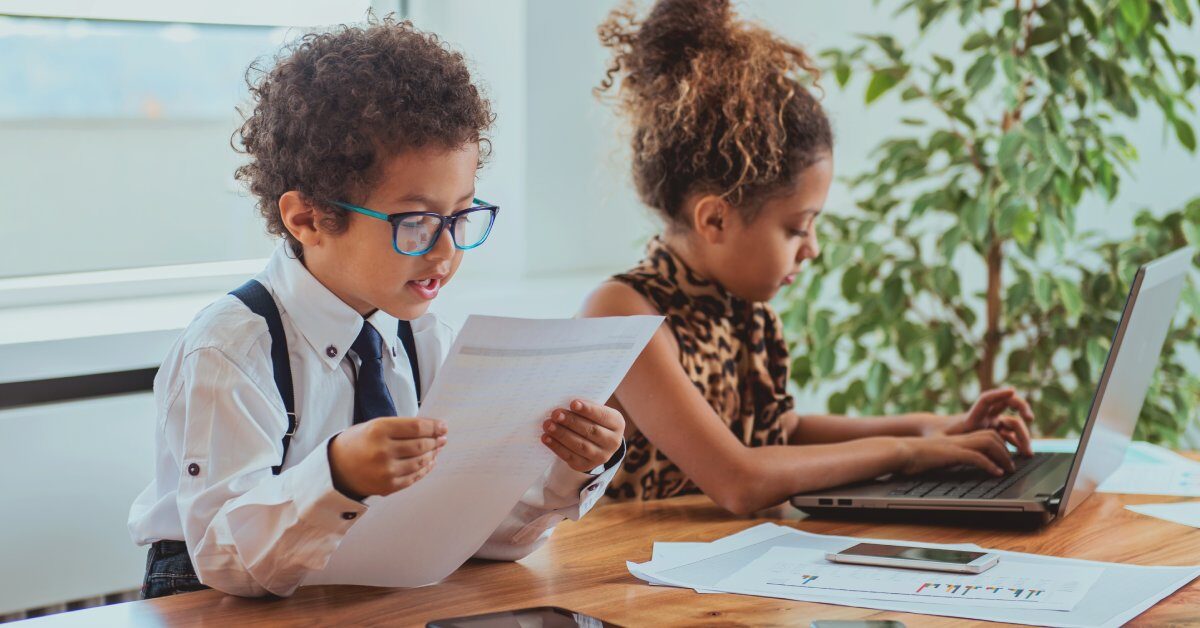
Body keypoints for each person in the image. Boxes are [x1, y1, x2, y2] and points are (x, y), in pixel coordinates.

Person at [128, 18, 625, 598]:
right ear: (307, 219)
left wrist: (574, 468)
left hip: (358, 602)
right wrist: (336, 476)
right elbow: (228, 562)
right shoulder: (232, 351)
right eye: (415, 222)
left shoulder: (425, 339)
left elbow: (480, 540)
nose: (445, 250)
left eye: (461, 215)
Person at [581, 0, 1032, 515]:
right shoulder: (623, 315)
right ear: (715, 220)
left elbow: (782, 433)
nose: (812, 248)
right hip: (625, 584)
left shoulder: (737, 310)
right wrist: (906, 453)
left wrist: (931, 426)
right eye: (797, 228)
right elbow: (739, 478)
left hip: (719, 577)